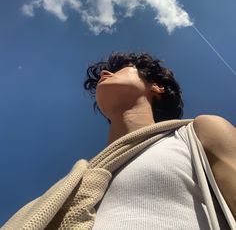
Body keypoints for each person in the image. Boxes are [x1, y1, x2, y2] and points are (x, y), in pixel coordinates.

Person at [3, 51, 236, 229]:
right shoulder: (81, 178)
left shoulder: (196, 133)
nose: (106, 73)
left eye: (123, 68)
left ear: (156, 86)